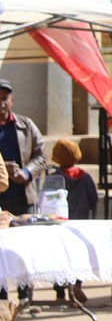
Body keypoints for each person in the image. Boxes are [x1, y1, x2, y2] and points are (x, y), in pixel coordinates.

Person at [0, 77, 47, 217]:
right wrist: (2, 168)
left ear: (12, 100)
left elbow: (41, 155)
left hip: (24, 198)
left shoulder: (26, 125)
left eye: (4, 98)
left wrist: (26, 172)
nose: (1, 103)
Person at [43, 137, 97, 218]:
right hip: (82, 222)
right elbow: (94, 200)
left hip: (59, 221)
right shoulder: (86, 178)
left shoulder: (52, 179)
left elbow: (46, 202)